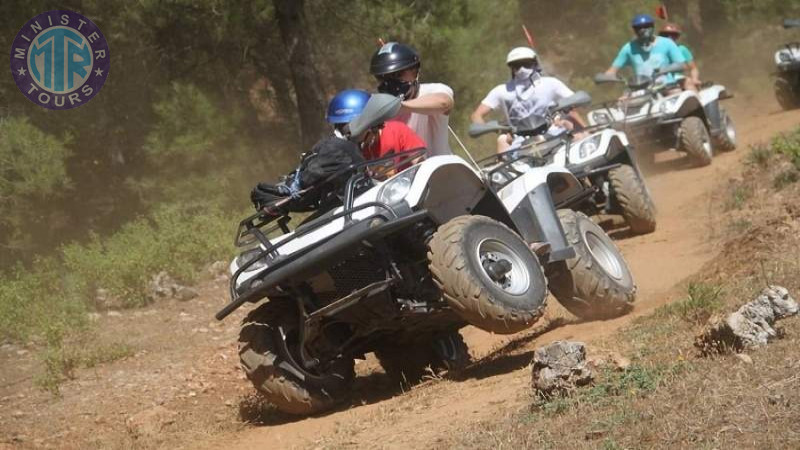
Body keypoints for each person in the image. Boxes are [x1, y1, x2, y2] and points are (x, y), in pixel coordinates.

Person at [470, 46, 587, 153]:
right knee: (502, 140)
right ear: (511, 68)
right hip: (519, 141)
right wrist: (499, 130)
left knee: (573, 124)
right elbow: (477, 115)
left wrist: (567, 119)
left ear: (535, 63)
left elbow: (573, 104)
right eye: (516, 65)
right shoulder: (501, 91)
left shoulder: (551, 83)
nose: (522, 69)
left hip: (554, 131)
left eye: (526, 64)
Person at [369, 42, 454, 157]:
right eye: (382, 78)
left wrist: (400, 107)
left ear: (415, 73)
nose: (389, 83)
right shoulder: (379, 109)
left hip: (439, 171)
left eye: (397, 75)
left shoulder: (432, 90)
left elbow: (445, 103)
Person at [326, 89, 426, 176]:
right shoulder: (347, 153)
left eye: (348, 129)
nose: (347, 134)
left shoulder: (397, 131)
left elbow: (421, 162)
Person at [604, 14, 686, 85]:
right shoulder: (629, 48)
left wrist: (663, 70)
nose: (643, 30)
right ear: (634, 30)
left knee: (677, 96)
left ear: (653, 27)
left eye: (646, 26)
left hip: (666, 86)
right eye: (638, 27)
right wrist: (605, 77)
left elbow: (681, 65)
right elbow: (612, 70)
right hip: (640, 89)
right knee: (622, 102)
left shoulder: (667, 43)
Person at [659, 23, 700, 91]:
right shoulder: (657, 50)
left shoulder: (682, 49)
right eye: (665, 35)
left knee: (688, 83)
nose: (669, 37)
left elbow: (693, 68)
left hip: (679, 80)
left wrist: (695, 79)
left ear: (677, 36)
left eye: (673, 35)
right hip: (661, 81)